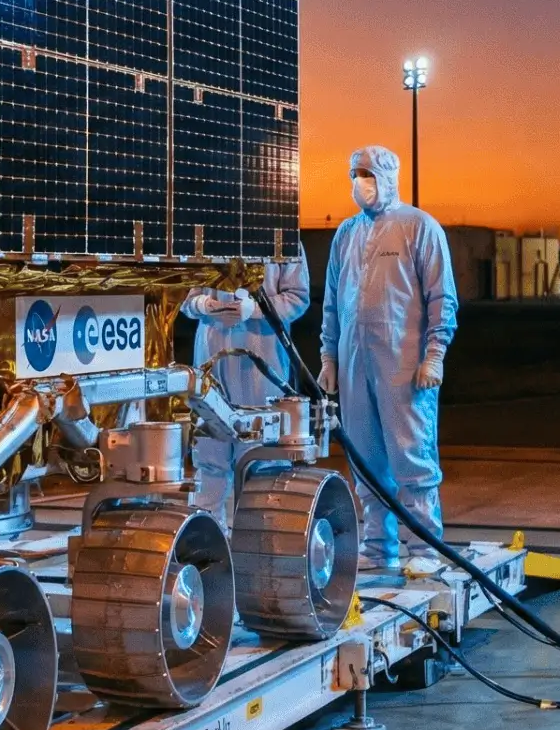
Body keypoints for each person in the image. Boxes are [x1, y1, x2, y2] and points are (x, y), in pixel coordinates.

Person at [317, 144, 458, 572]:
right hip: (355, 365)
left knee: (411, 458)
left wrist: (435, 354)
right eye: (354, 174)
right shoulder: (345, 234)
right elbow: (331, 303)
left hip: (404, 368)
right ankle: (379, 548)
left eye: (367, 174)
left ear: (387, 176)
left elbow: (442, 298)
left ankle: (424, 551)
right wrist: (329, 357)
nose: (360, 183)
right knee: (366, 461)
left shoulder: (420, 228)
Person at [182, 255, 312, 521]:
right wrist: (203, 304)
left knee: (261, 455)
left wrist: (255, 310)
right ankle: (205, 540)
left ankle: (260, 538)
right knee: (209, 452)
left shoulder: (279, 233)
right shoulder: (205, 232)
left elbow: (298, 298)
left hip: (262, 361)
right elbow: (185, 296)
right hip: (212, 355)